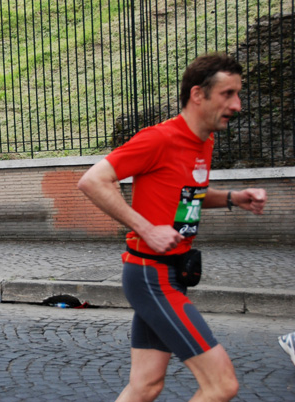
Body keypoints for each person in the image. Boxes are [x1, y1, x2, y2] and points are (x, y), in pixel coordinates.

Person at [77, 53, 267, 402]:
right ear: (198, 94)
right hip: (151, 276)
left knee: (145, 385)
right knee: (222, 385)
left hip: (174, 274)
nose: (237, 105)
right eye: (228, 94)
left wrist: (232, 197)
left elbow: (188, 195)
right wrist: (146, 228)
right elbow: (93, 181)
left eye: (238, 94)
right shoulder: (159, 138)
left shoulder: (203, 141)